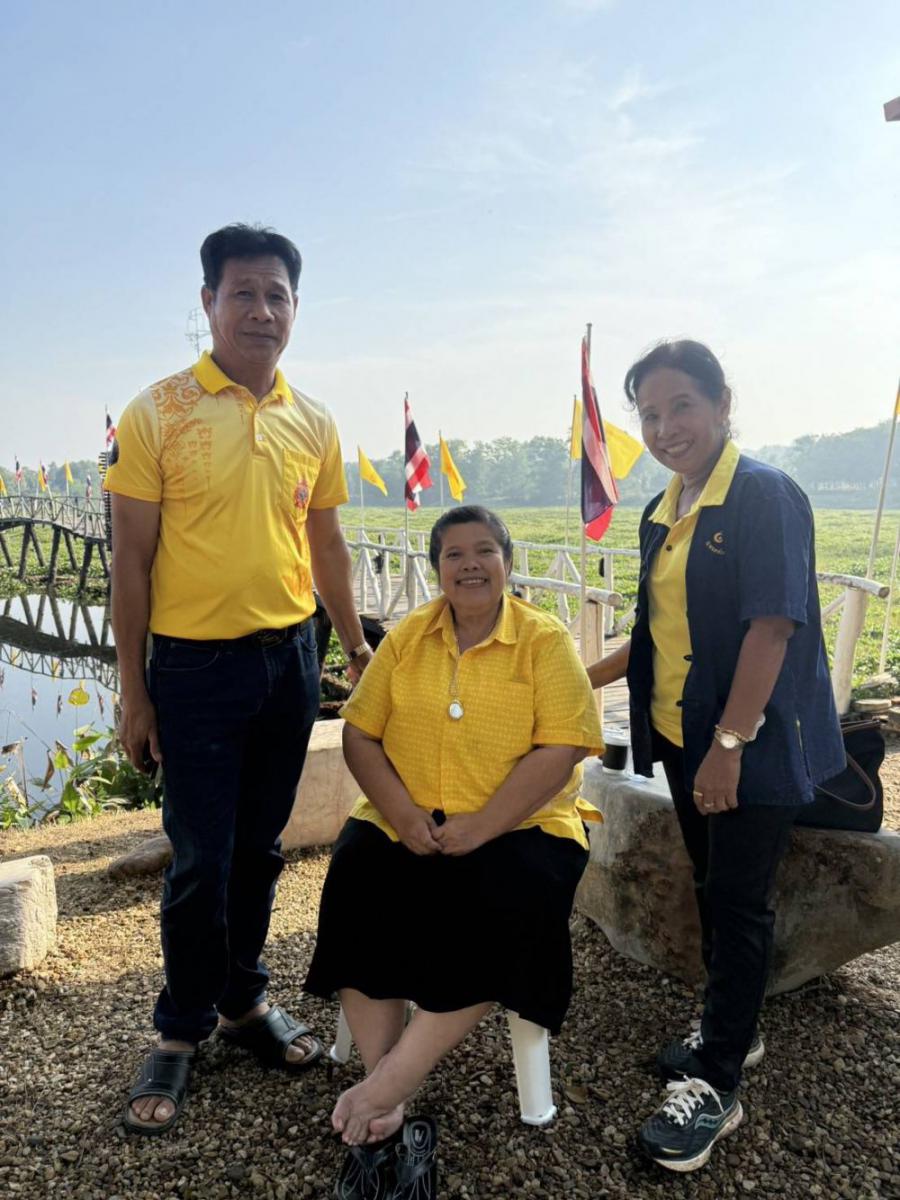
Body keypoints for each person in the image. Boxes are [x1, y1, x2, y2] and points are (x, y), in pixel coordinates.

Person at [106, 223, 374, 1135]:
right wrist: (135, 691)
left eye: (277, 295)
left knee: (260, 850)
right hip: (193, 669)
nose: (262, 310)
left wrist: (353, 647)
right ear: (209, 303)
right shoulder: (158, 412)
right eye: (244, 293)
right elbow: (130, 562)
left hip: (289, 661)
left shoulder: (313, 419)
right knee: (200, 859)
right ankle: (179, 1027)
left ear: (295, 308)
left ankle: (243, 1002)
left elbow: (326, 545)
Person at [588, 340, 844, 1173]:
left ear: (722, 403)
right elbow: (653, 632)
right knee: (712, 886)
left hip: (748, 744)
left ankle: (718, 1082)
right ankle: (733, 1027)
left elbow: (772, 627)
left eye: (681, 407)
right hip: (680, 734)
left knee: (737, 902)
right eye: (650, 415)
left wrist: (729, 746)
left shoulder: (764, 495)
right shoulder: (662, 510)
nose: (666, 428)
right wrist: (569, 679)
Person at [304, 505, 603, 1199]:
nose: (470, 564)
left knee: (502, 897)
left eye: (484, 550)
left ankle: (392, 1081)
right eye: (453, 554)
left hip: (523, 824)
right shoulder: (409, 636)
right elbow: (360, 733)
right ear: (437, 568)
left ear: (507, 561)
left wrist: (485, 825)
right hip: (407, 818)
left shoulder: (543, 640)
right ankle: (384, 1091)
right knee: (356, 875)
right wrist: (403, 814)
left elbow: (562, 746)